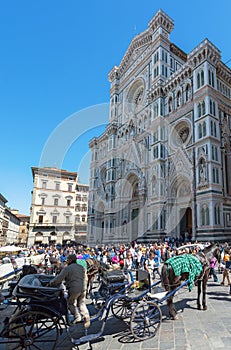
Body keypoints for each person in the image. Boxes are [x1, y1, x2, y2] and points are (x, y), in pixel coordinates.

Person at [49, 254, 90, 328]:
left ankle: (77, 316)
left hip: (74, 289)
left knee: (70, 303)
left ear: (70, 260)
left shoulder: (67, 268)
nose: (67, 261)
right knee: (81, 303)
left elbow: (59, 279)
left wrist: (50, 283)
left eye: (68, 260)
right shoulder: (81, 267)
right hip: (83, 288)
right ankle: (86, 316)